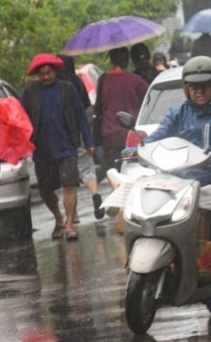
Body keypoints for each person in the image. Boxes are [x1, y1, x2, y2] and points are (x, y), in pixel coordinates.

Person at [133, 56, 211, 281]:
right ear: (186, 88)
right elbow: (160, 135)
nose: (200, 90)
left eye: (205, 85)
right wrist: (139, 147)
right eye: (194, 86)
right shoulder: (177, 112)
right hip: (181, 179)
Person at [19, 54, 95, 240]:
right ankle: (58, 218)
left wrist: (89, 141)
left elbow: (80, 115)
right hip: (42, 149)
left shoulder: (67, 89)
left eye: (49, 73)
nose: (45, 77)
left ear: (55, 72)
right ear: (37, 75)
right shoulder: (30, 93)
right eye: (42, 74)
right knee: (45, 190)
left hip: (67, 147)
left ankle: (69, 225)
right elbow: (20, 119)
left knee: (69, 184)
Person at [56, 54, 104, 220]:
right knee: (87, 166)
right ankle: (95, 193)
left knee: (69, 173)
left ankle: (73, 214)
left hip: (64, 135)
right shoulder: (78, 82)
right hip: (81, 131)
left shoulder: (59, 87)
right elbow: (86, 109)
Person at [94, 47, 149, 187]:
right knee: (132, 171)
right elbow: (149, 99)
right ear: (127, 60)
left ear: (111, 60)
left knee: (113, 171)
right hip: (130, 133)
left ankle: (117, 199)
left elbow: (98, 107)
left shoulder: (103, 80)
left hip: (108, 134)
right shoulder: (136, 80)